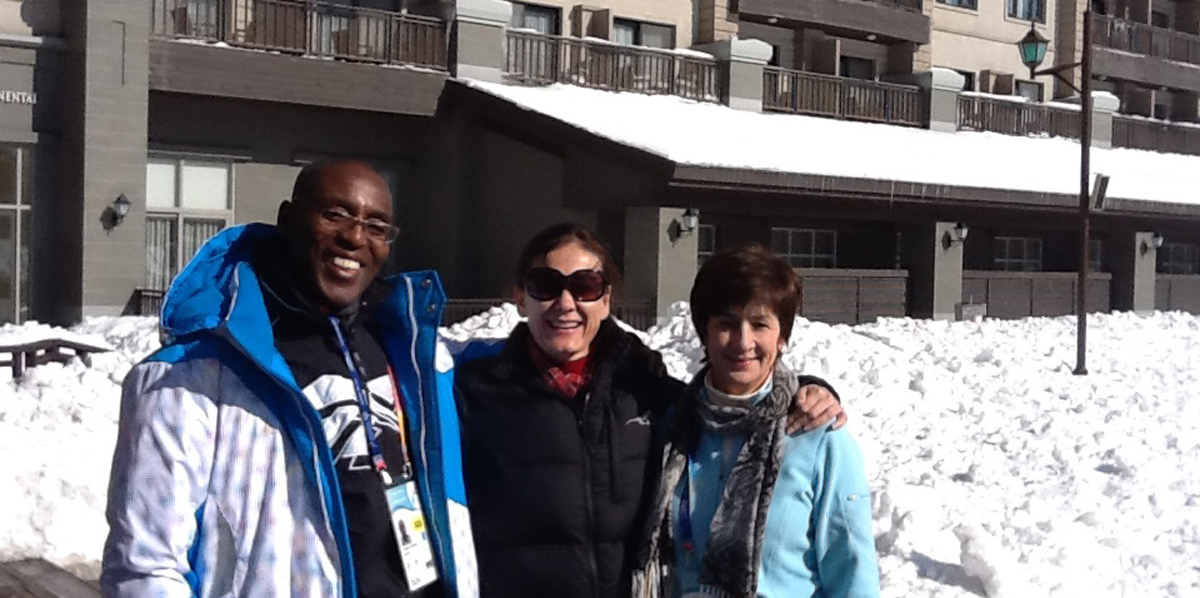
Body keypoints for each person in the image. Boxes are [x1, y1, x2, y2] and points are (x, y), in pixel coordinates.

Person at [101, 160, 477, 598]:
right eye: (334, 214)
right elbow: (145, 568)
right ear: (288, 219)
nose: (355, 237)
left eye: (376, 226)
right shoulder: (188, 377)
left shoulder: (413, 359)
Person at [453, 223, 846, 598]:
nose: (566, 303)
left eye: (585, 286)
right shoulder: (476, 396)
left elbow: (729, 400)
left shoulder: (644, 388)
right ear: (521, 297)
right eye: (545, 286)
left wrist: (805, 390)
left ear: (606, 299)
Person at [633, 244, 880, 598]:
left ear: (782, 338)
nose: (743, 341)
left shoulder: (818, 436)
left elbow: (852, 570)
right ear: (704, 332)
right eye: (727, 324)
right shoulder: (672, 429)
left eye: (759, 324)